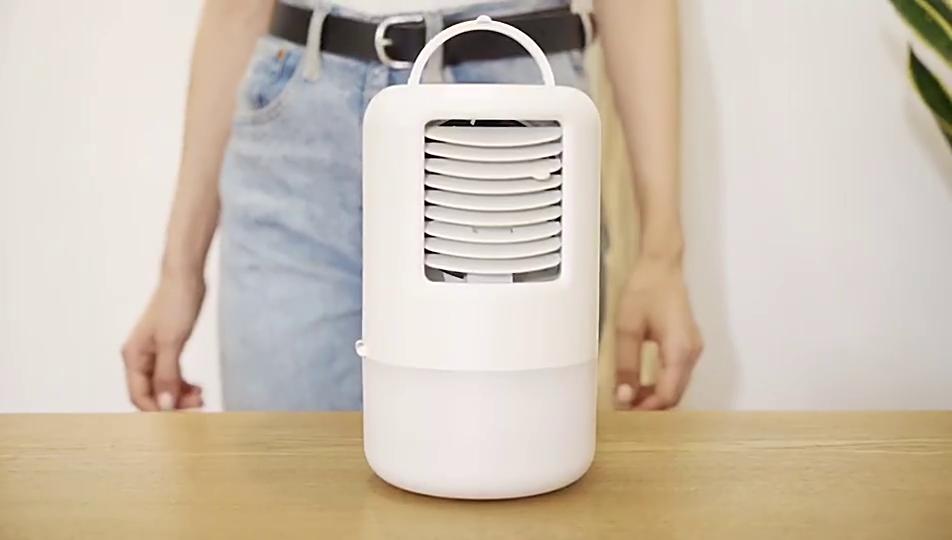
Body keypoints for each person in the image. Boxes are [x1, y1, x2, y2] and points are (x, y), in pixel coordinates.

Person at [121, 0, 703, 412]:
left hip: (503, 130)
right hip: (297, 120)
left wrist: (662, 255)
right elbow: (235, 10)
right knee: (289, 491)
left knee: (500, 483)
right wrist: (179, 269)